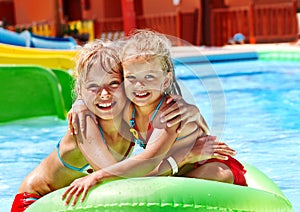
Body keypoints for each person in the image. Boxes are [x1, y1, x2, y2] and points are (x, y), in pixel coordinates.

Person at [11, 39, 226, 211]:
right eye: (93, 87)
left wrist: (194, 113)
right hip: (36, 203)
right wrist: (184, 156)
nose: (104, 95)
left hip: (75, 202)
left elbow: (177, 122)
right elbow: (118, 180)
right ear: (82, 91)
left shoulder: (131, 112)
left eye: (113, 84)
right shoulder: (85, 122)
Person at [62, 30, 244, 206]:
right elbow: (99, 85)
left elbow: (148, 161)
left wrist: (98, 175)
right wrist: (80, 103)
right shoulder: (130, 105)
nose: (140, 86)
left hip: (208, 166)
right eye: (131, 77)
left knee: (208, 178)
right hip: (175, 171)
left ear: (165, 81)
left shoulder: (168, 113)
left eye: (149, 76)